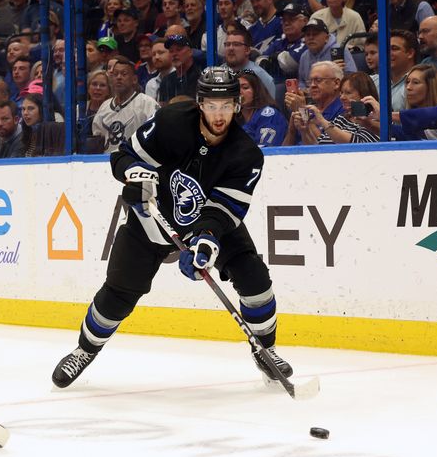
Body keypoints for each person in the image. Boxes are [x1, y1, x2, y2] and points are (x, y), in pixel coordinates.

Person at [52, 67, 291, 390]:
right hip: (153, 218)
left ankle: (267, 350)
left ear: (236, 105)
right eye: (211, 105)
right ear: (199, 103)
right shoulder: (172, 121)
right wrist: (134, 175)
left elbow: (223, 211)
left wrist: (205, 241)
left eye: (225, 106)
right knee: (119, 293)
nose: (218, 115)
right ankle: (85, 349)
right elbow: (123, 157)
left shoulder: (246, 154)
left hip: (207, 226)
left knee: (254, 277)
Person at [92, 56, 159, 152]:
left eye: (124, 74)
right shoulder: (104, 107)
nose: (119, 77)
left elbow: (156, 135)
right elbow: (97, 139)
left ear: (134, 79)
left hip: (137, 161)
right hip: (107, 162)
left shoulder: (147, 103)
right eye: (115, 74)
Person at [301, 71, 379, 144]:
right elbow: (320, 144)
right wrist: (304, 129)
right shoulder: (341, 118)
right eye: (341, 93)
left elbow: (353, 143)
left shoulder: (374, 123)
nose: (342, 97)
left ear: (364, 94)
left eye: (348, 93)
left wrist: (321, 119)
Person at [236, 71, 288, 147]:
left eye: (245, 88)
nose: (240, 92)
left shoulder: (269, 115)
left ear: (256, 90)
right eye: (236, 88)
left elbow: (266, 151)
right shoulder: (233, 116)